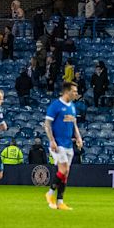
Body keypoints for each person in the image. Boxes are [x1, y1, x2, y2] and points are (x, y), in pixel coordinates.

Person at [44, 82, 84, 210]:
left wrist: (78, 137)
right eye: (74, 91)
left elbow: (74, 124)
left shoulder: (72, 106)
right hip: (58, 143)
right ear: (67, 92)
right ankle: (49, 194)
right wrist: (52, 140)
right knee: (64, 170)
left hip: (68, 144)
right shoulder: (55, 105)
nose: (76, 93)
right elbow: (47, 124)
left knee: (65, 174)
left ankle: (60, 202)